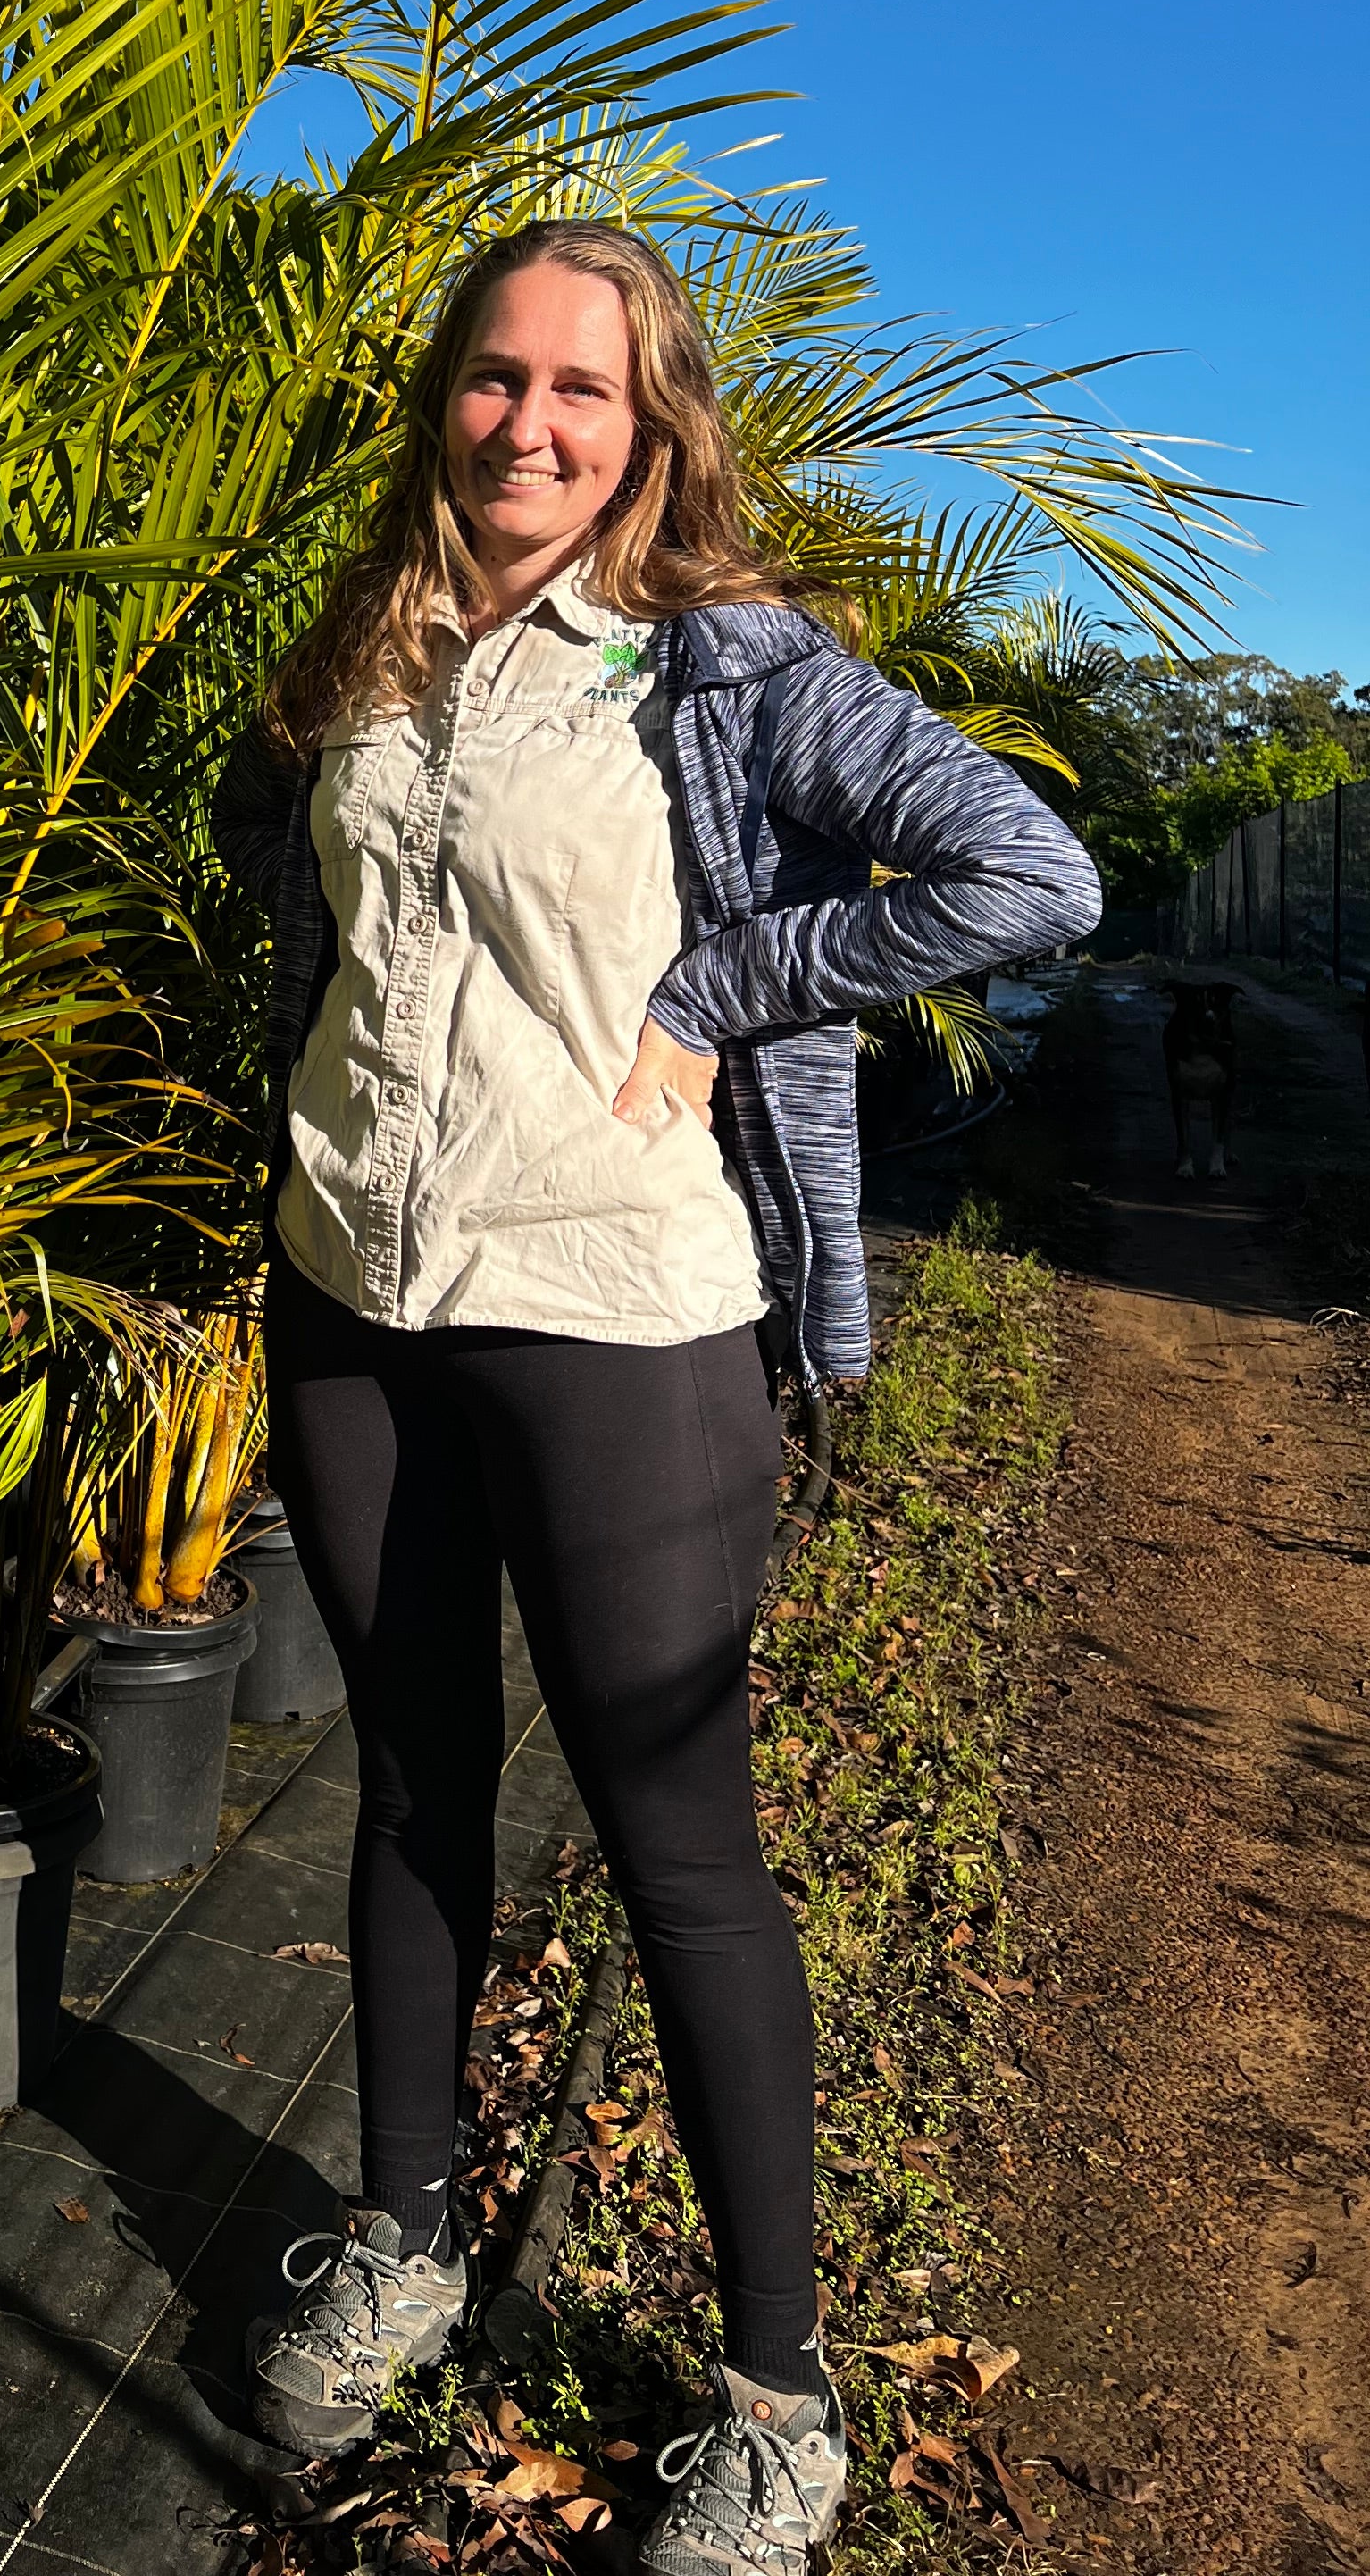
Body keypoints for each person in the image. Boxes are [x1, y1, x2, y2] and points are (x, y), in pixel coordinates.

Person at [211, 220, 1099, 2574]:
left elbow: (1032, 870)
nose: (527, 423)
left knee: (671, 1841)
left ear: (654, 420)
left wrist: (732, 986)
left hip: (611, 1307)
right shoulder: (371, 649)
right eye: (492, 381)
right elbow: (303, 911)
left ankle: (776, 2393)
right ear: (444, 401)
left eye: (579, 392)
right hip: (351, 1292)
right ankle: (407, 2236)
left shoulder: (719, 668)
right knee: (410, 1780)